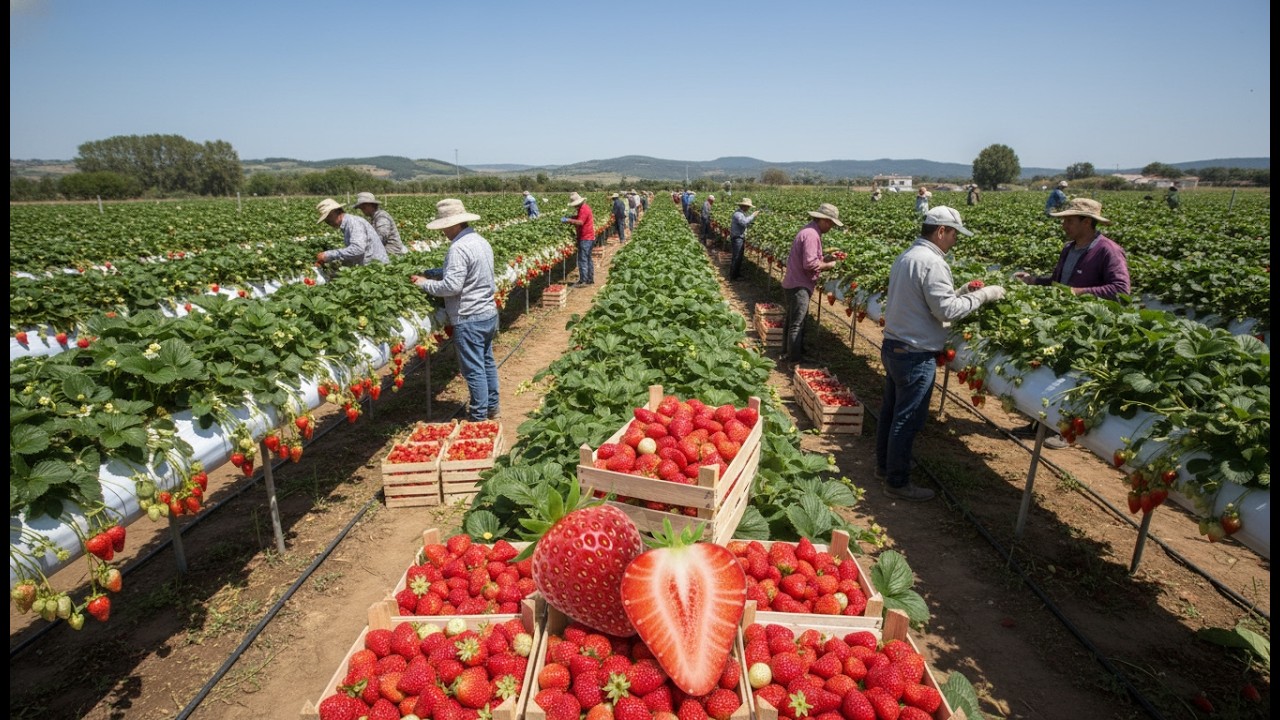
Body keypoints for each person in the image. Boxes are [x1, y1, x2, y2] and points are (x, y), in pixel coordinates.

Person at [876, 207, 1006, 501]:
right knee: (907, 419)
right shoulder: (932, 262)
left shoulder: (907, 256)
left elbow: (923, 303)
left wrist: (958, 292)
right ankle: (897, 481)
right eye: (954, 234)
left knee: (891, 412)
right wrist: (983, 296)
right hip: (914, 353)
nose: (955, 240)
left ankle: (885, 468)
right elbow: (946, 311)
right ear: (941, 231)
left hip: (895, 346)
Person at [1011, 197, 1131, 447]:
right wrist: (1033, 281)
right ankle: (1039, 422)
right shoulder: (1069, 248)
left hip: (1091, 325)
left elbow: (1121, 289)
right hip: (1064, 320)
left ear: (1087, 221)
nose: (1063, 224)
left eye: (1069, 219)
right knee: (1055, 369)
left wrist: (1079, 293)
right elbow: (1059, 284)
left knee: (1074, 376)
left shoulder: (1108, 250)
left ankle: (1062, 430)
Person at [411, 199, 500, 422]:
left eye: (443, 227)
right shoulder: (480, 241)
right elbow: (469, 270)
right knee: (487, 362)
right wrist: (436, 271)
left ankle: (479, 416)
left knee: (474, 369)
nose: (442, 232)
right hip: (488, 313)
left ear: (454, 225)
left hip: (469, 317)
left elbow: (452, 287)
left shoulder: (458, 248)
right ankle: (492, 407)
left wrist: (424, 283)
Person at [781, 203, 842, 363]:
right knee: (797, 323)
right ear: (823, 220)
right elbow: (809, 264)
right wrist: (828, 265)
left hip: (794, 282)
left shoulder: (809, 231)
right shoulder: (811, 235)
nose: (830, 226)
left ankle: (788, 352)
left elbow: (811, 260)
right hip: (799, 284)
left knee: (792, 319)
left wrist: (825, 259)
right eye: (830, 223)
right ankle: (794, 360)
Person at [315, 198, 390, 266]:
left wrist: (327, 255)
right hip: (372, 267)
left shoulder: (353, 223)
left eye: (328, 217)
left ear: (335, 212)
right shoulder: (347, 224)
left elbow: (358, 249)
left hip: (377, 268)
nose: (327, 222)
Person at [563, 192, 596, 286]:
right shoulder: (583, 208)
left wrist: (568, 220)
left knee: (583, 259)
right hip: (588, 237)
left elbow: (581, 222)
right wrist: (572, 217)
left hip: (586, 238)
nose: (574, 207)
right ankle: (589, 279)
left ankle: (583, 280)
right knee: (588, 258)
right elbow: (580, 218)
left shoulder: (584, 209)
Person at [727, 197, 759, 280]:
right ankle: (734, 276)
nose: (748, 209)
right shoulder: (738, 214)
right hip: (737, 238)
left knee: (739, 257)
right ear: (744, 206)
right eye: (748, 207)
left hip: (739, 238)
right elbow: (744, 222)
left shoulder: (741, 214)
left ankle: (736, 274)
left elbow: (744, 223)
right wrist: (753, 215)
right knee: (737, 257)